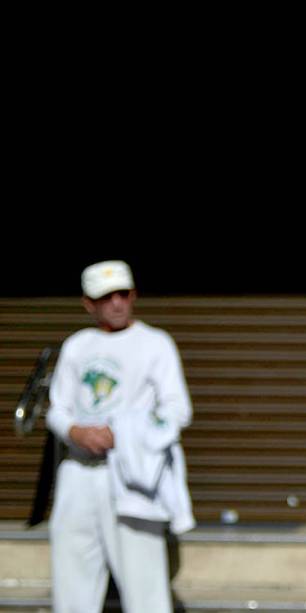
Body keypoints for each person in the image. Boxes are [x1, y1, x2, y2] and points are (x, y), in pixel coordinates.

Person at [45, 260, 195, 613]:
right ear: (88, 303)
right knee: (72, 578)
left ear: (134, 295)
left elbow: (177, 409)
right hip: (78, 473)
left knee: (145, 586)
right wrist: (75, 431)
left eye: (123, 294)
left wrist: (126, 433)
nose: (116, 303)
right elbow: (56, 408)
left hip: (131, 476)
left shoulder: (155, 343)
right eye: (105, 296)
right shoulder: (77, 346)